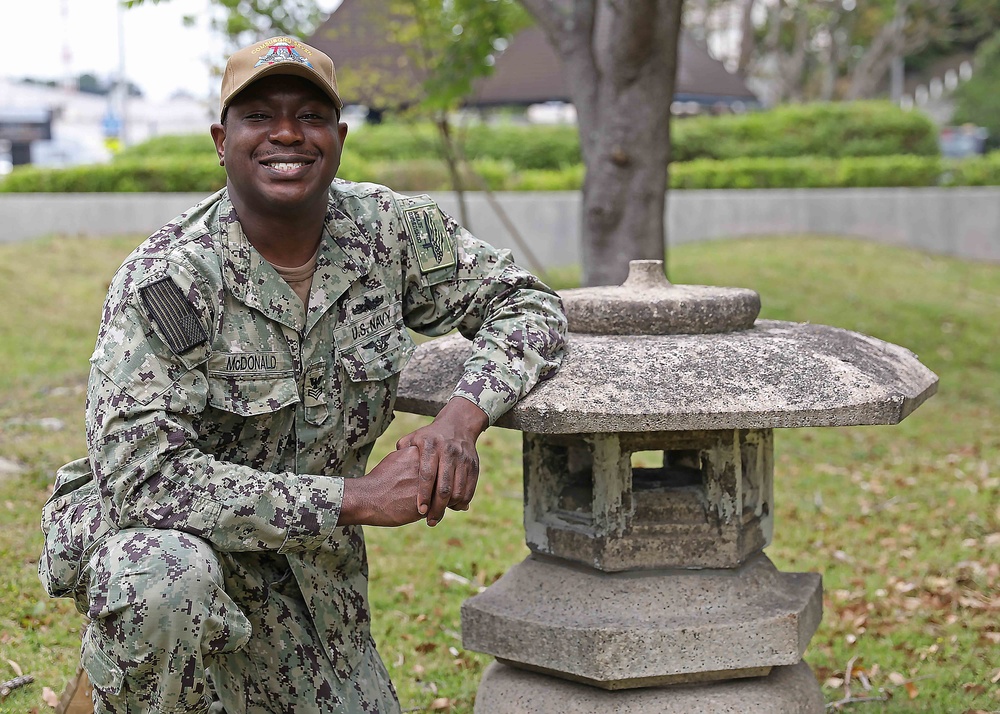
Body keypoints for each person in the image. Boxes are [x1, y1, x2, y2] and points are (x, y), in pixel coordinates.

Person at [38, 35, 566, 713]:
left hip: (311, 579)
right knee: (159, 582)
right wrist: (357, 497)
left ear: (339, 136)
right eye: (259, 116)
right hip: (175, 551)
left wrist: (460, 420)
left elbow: (526, 302)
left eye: (310, 116)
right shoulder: (167, 280)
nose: (287, 133)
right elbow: (144, 480)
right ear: (220, 140)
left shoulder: (389, 232)